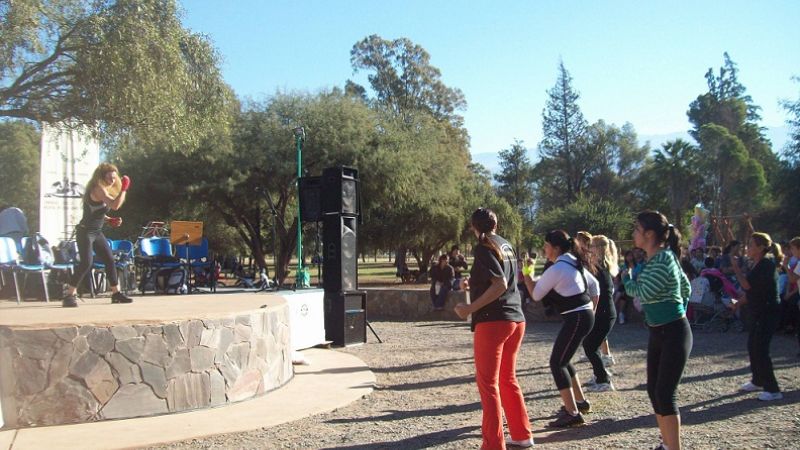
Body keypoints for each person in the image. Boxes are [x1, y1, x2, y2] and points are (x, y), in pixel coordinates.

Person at [453, 208, 532, 449]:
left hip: (493, 321)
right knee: (508, 379)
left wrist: (469, 308)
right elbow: (501, 279)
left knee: (488, 385)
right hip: (516, 318)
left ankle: (493, 445)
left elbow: (500, 284)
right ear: (496, 224)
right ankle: (522, 434)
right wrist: (473, 283)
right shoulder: (506, 244)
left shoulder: (484, 246)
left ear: (473, 227)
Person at [623, 211, 692, 450]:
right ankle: (666, 444)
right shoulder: (659, 258)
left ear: (649, 234)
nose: (633, 233)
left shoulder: (663, 259)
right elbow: (685, 286)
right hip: (659, 332)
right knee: (655, 391)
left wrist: (625, 276)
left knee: (664, 393)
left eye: (637, 229)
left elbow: (643, 292)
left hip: (673, 332)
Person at [525, 230, 598, 428]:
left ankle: (572, 413)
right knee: (564, 360)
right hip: (582, 316)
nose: (544, 249)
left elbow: (536, 295)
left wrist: (526, 273)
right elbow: (595, 286)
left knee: (557, 363)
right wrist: (592, 309)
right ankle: (580, 403)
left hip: (576, 317)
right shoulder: (573, 262)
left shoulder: (558, 267)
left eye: (546, 245)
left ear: (556, 248)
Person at [62, 163, 133, 307]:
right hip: (85, 232)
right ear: (102, 176)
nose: (112, 180)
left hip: (96, 231)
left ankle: (116, 293)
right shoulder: (98, 188)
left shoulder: (103, 189)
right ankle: (69, 295)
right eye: (110, 177)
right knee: (86, 263)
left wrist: (109, 220)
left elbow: (97, 211)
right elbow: (115, 205)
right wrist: (124, 189)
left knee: (109, 260)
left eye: (114, 178)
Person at [731, 232, 784, 401]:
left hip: (767, 312)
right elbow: (752, 291)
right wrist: (738, 303)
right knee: (752, 346)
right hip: (758, 311)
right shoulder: (757, 264)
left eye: (752, 245)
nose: (748, 248)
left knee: (761, 349)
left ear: (761, 247)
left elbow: (746, 285)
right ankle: (757, 380)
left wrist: (736, 268)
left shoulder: (766, 265)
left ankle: (773, 389)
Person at [583, 235, 620, 392]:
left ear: (597, 249)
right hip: (604, 312)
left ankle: (603, 380)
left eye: (591, 246)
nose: (588, 249)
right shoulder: (600, 267)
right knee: (591, 344)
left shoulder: (600, 269)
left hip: (604, 312)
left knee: (589, 345)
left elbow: (600, 294)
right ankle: (600, 374)